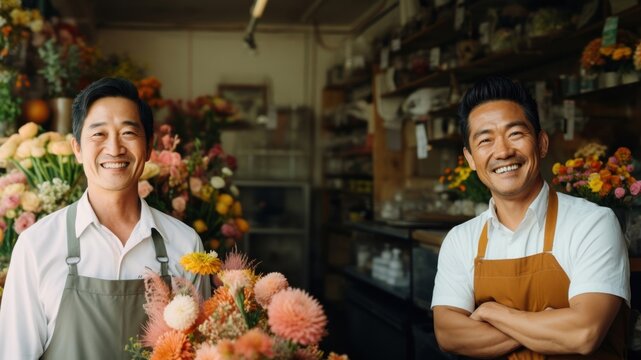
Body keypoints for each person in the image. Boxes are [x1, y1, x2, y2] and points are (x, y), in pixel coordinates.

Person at [0, 77, 211, 359]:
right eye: (98, 134)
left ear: (149, 147)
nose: (114, 148)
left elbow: (203, 350)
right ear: (77, 148)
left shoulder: (185, 244)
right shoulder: (36, 246)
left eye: (128, 133)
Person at [431, 76, 630, 359]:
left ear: (542, 143)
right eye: (485, 139)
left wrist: (492, 312)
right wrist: (546, 325)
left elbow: (583, 333)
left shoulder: (593, 223)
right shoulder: (461, 239)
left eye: (515, 134)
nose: (503, 151)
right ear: (471, 159)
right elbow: (449, 334)